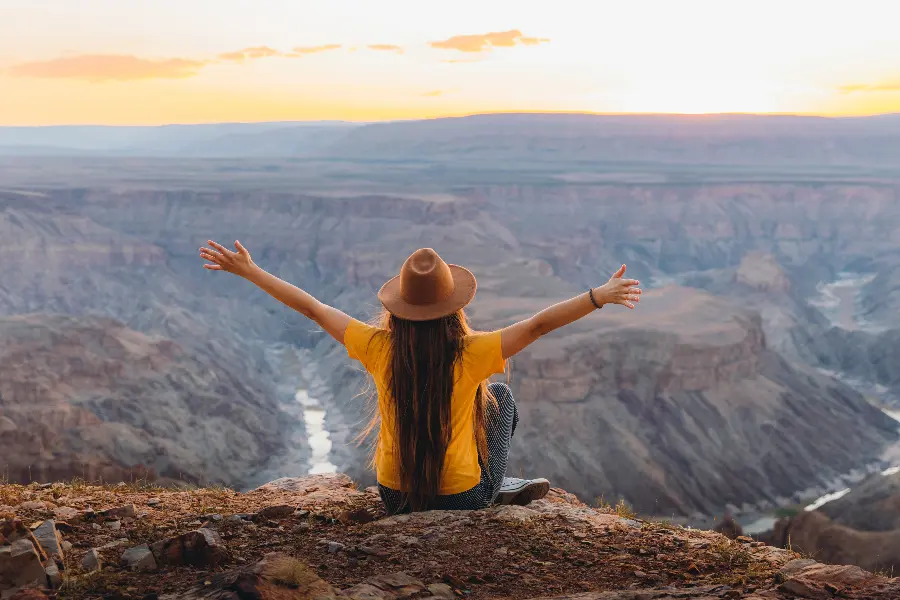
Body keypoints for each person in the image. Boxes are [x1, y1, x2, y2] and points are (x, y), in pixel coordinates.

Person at [199, 242, 642, 513]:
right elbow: (537, 326)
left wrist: (251, 271)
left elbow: (313, 308)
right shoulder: (472, 352)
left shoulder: (377, 347)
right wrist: (596, 296)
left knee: (488, 398)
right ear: (454, 306)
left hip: (393, 496)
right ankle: (495, 487)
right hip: (461, 499)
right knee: (499, 398)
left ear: (401, 308)